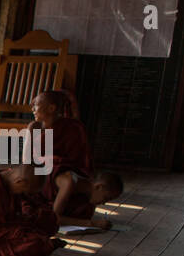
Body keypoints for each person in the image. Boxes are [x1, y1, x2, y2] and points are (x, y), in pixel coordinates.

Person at [30, 90, 122, 229]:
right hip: (36, 177)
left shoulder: (72, 128)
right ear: (99, 186)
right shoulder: (35, 127)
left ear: (51, 108)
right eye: (106, 198)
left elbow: (79, 157)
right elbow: (54, 218)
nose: (103, 203)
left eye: (36, 105)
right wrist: (92, 224)